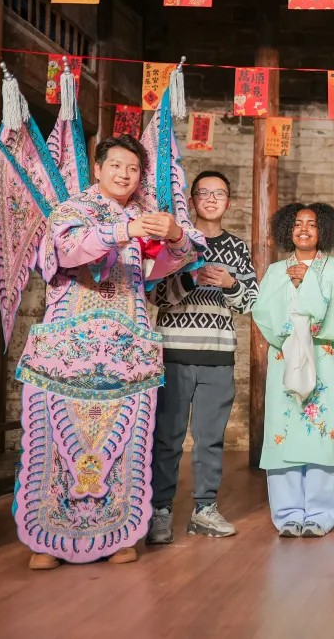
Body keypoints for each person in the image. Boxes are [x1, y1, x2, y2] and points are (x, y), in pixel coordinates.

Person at [15, 135, 204, 569]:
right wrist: (123, 231)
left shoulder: (146, 215)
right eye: (116, 165)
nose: (124, 174)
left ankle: (117, 535)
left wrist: (175, 234)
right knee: (54, 441)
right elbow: (67, 251)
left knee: (127, 443)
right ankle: (49, 542)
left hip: (127, 351)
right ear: (97, 169)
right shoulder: (72, 211)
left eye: (133, 168)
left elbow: (179, 259)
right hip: (68, 350)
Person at [147, 170, 258, 544]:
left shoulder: (237, 248)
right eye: (204, 193)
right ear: (192, 199)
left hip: (218, 356)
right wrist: (190, 278)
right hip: (173, 354)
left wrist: (230, 283)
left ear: (229, 202)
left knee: (210, 439)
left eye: (219, 193)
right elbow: (155, 296)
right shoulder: (174, 243)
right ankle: (160, 511)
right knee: (167, 438)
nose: (211, 199)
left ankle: (204, 510)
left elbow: (250, 302)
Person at [251, 203, 334, 537]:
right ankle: (287, 514)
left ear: (323, 230)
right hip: (285, 359)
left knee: (323, 433)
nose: (304, 229)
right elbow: (263, 313)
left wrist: (308, 283)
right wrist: (290, 329)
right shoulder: (275, 271)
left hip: (324, 359)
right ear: (288, 229)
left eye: (312, 224)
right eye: (298, 223)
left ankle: (320, 514)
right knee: (283, 433)